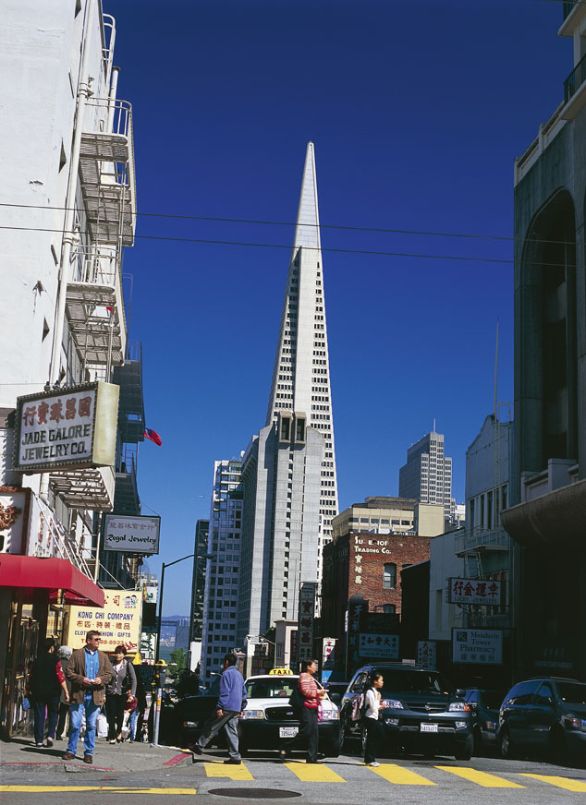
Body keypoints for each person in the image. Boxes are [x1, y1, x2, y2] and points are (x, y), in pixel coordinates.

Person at [63, 630, 113, 764]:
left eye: (99, 639)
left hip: (95, 695)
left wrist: (101, 680)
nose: (98, 642)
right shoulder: (77, 655)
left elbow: (109, 674)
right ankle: (71, 750)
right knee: (75, 724)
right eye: (96, 639)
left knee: (91, 725)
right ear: (88, 641)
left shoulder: (103, 656)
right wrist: (81, 679)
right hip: (79, 694)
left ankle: (89, 752)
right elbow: (68, 672)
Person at [191, 652, 247, 765]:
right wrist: (242, 707)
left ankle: (199, 746)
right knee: (232, 731)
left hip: (227, 706)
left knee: (212, 726)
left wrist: (220, 707)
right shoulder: (239, 675)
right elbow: (244, 693)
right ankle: (235, 756)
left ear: (226, 662)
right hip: (236, 708)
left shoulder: (226, 674)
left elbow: (225, 692)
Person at [280, 658, 326, 763]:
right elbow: (305, 691)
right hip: (306, 707)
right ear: (308, 667)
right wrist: (319, 692)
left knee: (314, 733)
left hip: (313, 707)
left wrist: (319, 695)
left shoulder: (312, 677)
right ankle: (286, 747)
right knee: (307, 731)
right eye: (314, 665)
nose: (315, 667)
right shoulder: (304, 676)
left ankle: (312, 757)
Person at [28, 637, 70, 747]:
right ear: (52, 648)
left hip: (39, 691)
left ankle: (39, 740)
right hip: (53, 692)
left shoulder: (37, 659)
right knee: (53, 713)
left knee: (39, 715)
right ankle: (50, 735)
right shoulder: (56, 660)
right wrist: (66, 691)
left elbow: (32, 676)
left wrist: (29, 689)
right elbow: (60, 676)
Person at [105, 646, 137, 743]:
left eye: (120, 653)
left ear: (124, 655)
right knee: (110, 714)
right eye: (117, 653)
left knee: (120, 714)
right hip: (110, 692)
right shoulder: (110, 664)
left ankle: (119, 731)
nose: (118, 655)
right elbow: (105, 677)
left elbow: (134, 680)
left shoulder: (127, 665)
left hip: (121, 693)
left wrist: (132, 694)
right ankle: (112, 735)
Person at [363, 672, 384, 767]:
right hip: (369, 717)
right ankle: (370, 759)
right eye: (381, 680)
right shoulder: (370, 692)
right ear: (375, 681)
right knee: (373, 737)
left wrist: (379, 701)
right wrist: (381, 706)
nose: (382, 682)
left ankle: (370, 758)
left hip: (374, 717)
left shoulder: (376, 692)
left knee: (375, 736)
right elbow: (372, 707)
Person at [56, 646, 73, 740]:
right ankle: (62, 732)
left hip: (57, 690)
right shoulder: (70, 665)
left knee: (55, 712)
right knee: (65, 713)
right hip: (68, 691)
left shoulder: (57, 662)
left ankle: (53, 731)